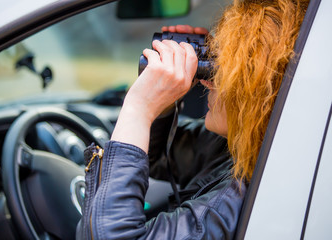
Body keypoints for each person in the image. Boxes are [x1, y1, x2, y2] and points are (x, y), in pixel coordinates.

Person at [77, 0, 309, 239]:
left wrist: (138, 109)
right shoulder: (245, 151)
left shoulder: (241, 201)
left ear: (257, 91)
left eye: (225, 71)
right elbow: (160, 158)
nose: (207, 81)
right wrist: (163, 101)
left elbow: (110, 235)